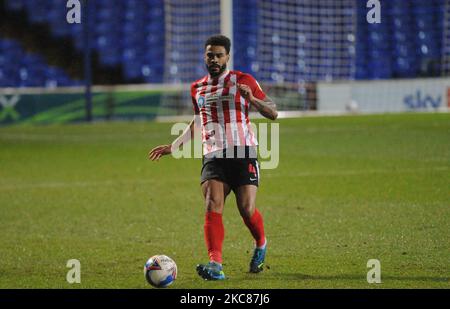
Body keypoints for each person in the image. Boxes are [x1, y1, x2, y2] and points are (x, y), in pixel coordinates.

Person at [148, 35, 278, 280]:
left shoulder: (243, 80)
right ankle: (215, 264)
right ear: (204, 56)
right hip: (214, 154)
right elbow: (197, 122)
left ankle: (261, 243)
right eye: (210, 55)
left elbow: (273, 112)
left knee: (246, 209)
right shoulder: (197, 88)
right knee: (212, 203)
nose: (214, 59)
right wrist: (174, 146)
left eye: (219, 55)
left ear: (227, 56)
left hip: (242, 152)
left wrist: (251, 99)